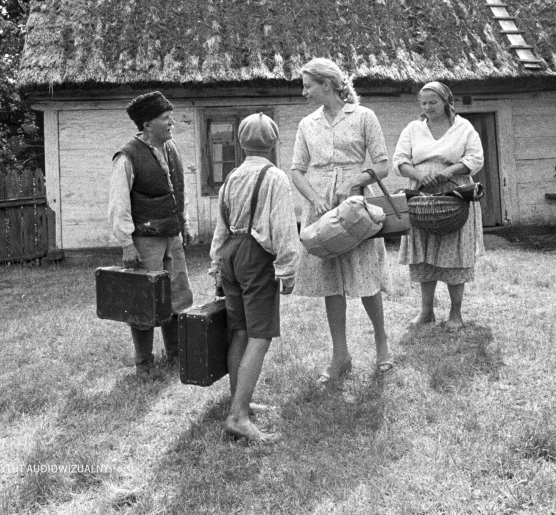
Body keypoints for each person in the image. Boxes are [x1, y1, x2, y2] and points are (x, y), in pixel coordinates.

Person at [290, 57, 393, 384]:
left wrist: (353, 182)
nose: (304, 92)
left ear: (327, 84)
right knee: (330, 279)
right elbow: (296, 170)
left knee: (366, 274)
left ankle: (382, 346)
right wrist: (314, 198)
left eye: (308, 85)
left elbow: (383, 165)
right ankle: (340, 355)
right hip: (321, 207)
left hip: (355, 205)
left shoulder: (363, 116)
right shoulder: (307, 124)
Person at [210, 112, 298, 443]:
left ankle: (240, 401)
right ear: (273, 143)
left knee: (240, 331)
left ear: (241, 143)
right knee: (260, 335)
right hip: (256, 256)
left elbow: (221, 225)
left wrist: (217, 264)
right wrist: (288, 268)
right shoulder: (275, 177)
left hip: (230, 253)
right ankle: (238, 416)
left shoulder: (232, 177)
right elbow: (284, 226)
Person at [108, 90, 194, 377]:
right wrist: (127, 244)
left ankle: (175, 354)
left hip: (172, 236)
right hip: (145, 240)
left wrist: (184, 223)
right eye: (165, 118)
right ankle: (144, 363)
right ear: (147, 125)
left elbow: (178, 190)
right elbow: (118, 204)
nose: (172, 123)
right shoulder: (127, 157)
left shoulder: (171, 148)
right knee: (143, 300)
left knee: (177, 295)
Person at [393, 81, 484, 331]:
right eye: (423, 103)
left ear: (446, 102)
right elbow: (399, 160)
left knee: (454, 249)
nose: (427, 107)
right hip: (422, 194)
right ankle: (426, 311)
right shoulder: (413, 129)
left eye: (433, 102)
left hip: (454, 192)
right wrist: (420, 176)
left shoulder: (463, 127)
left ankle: (455, 313)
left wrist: (449, 172)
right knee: (424, 250)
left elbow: (476, 158)